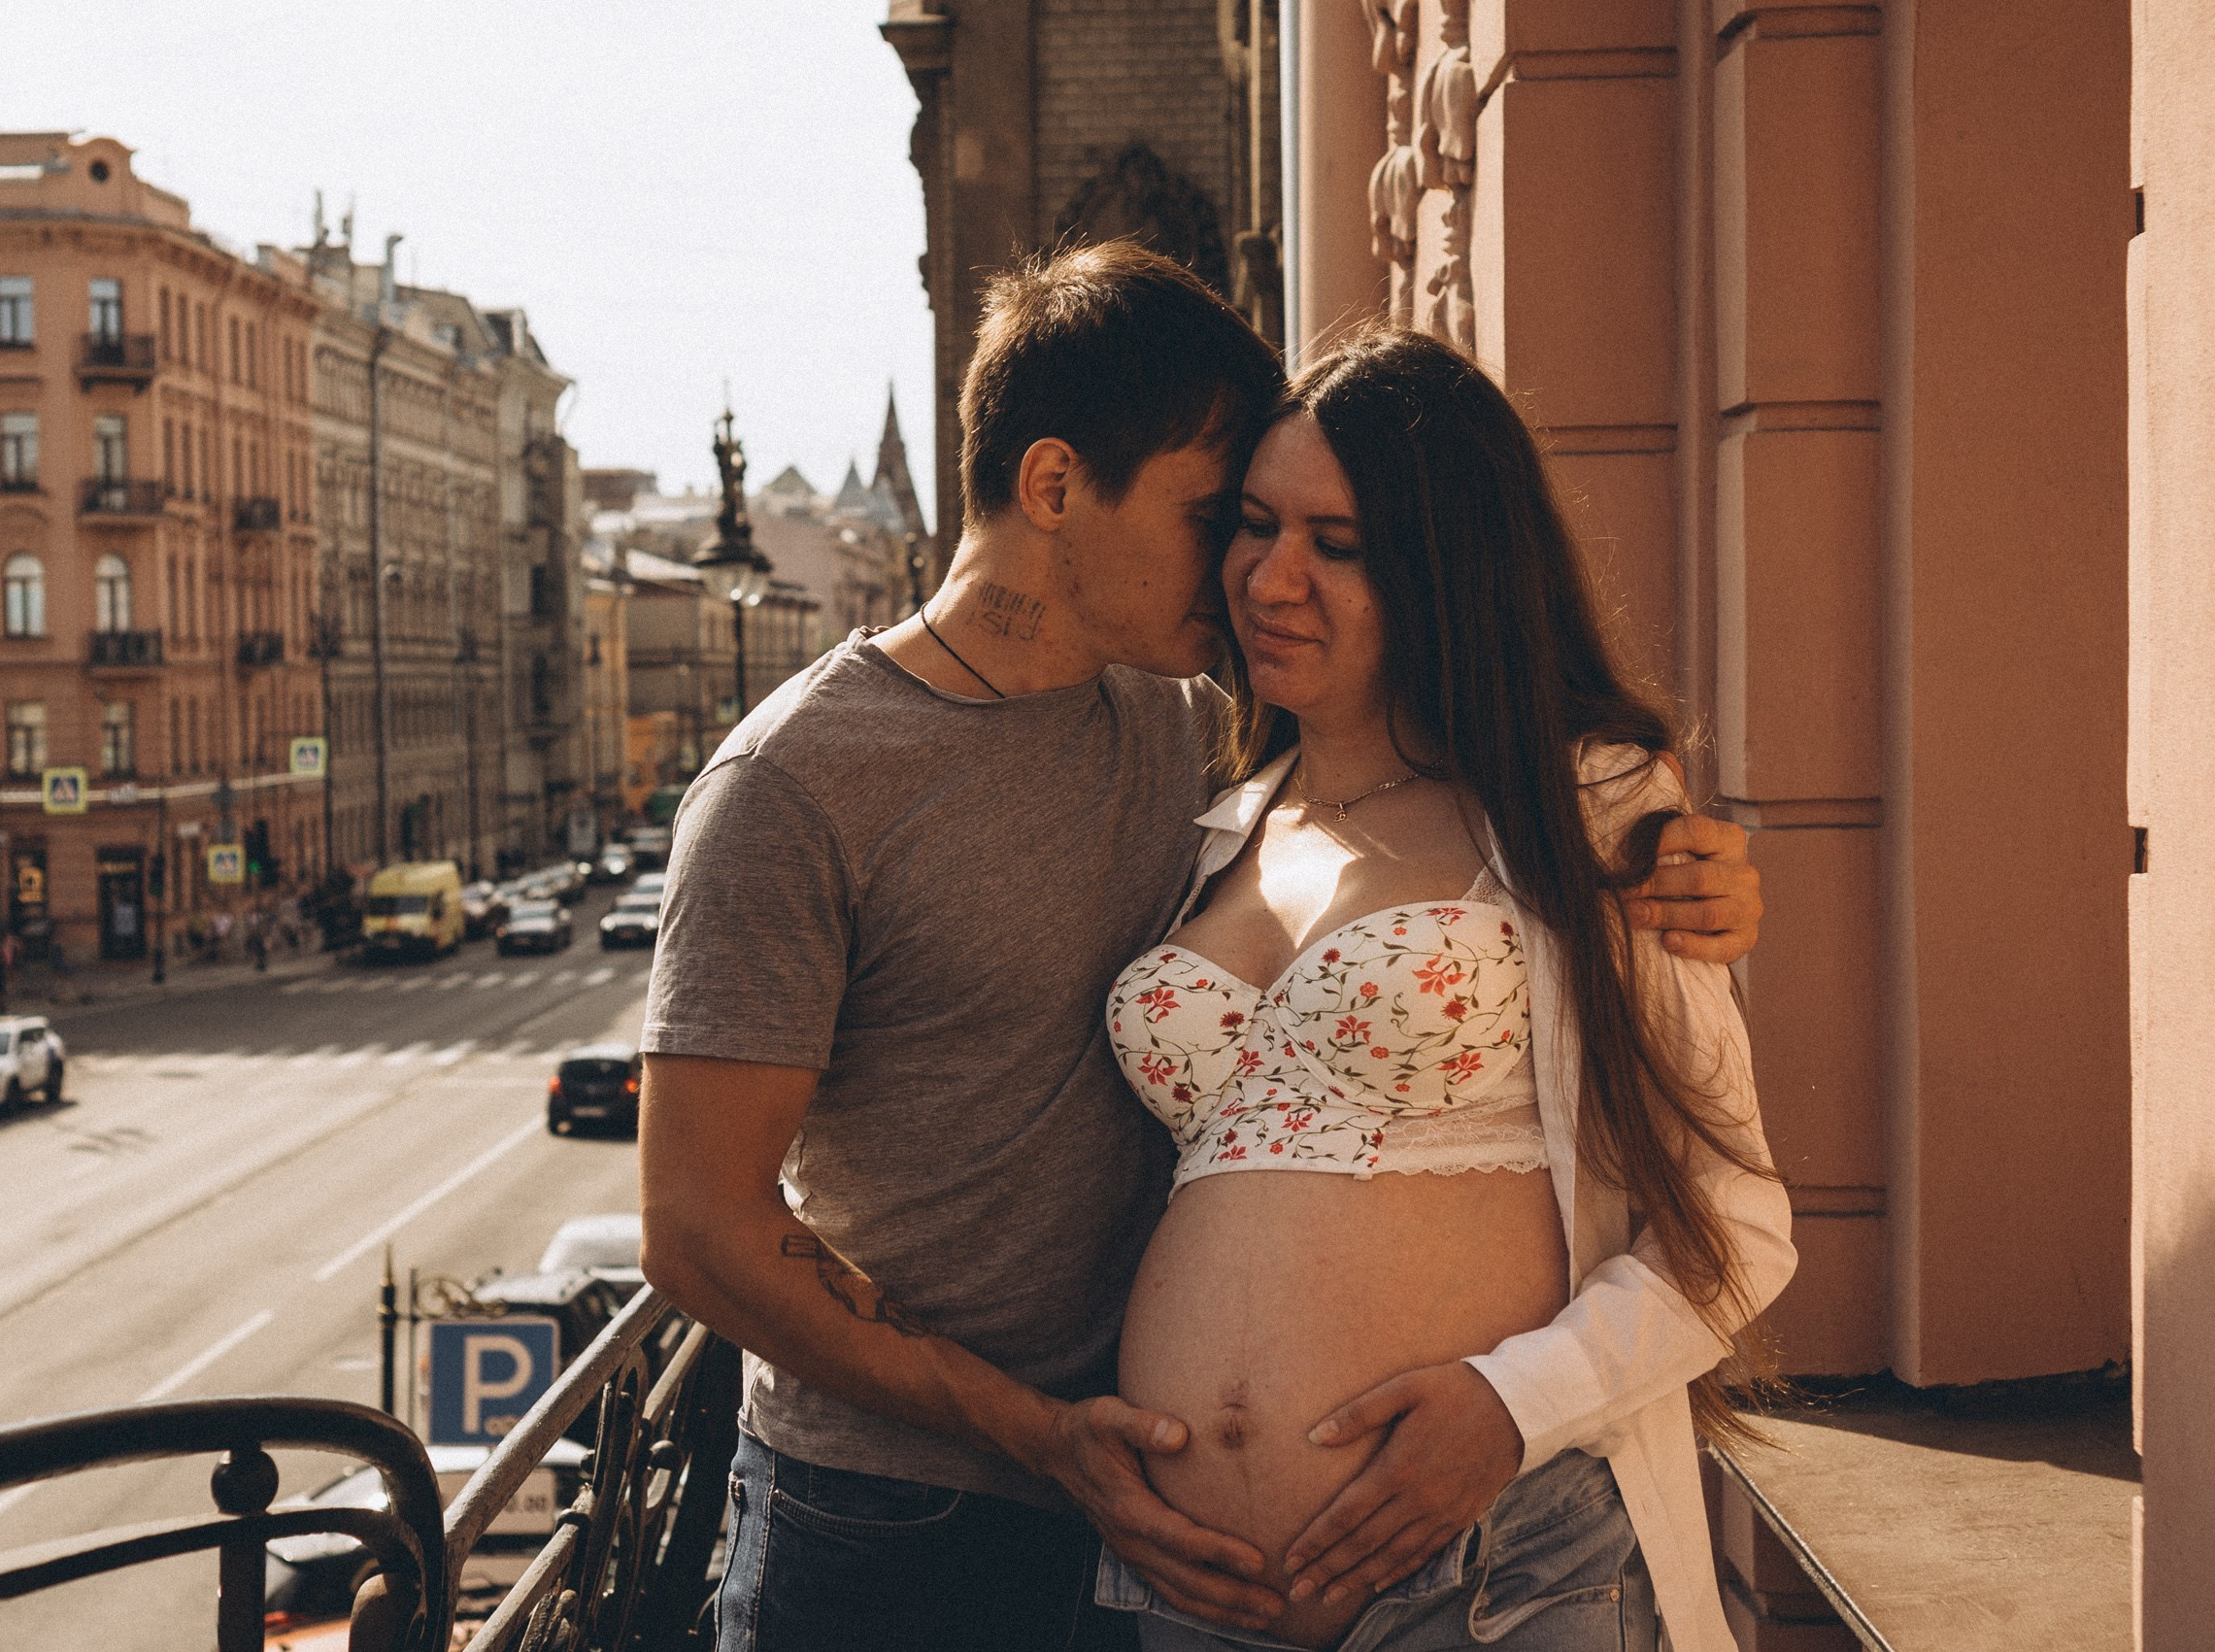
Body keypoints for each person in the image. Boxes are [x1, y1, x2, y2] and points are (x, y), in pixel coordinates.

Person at [637, 244, 1765, 1652]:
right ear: (1054, 489)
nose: (1253, 574)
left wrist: (1694, 879)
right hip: (891, 1516)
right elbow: (696, 1231)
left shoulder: (1195, 740)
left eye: (1311, 537)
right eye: (1220, 518)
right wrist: (1042, 1435)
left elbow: (1471, 817)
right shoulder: (794, 784)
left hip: (1164, 1529)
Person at [1096, 327, 1791, 1651]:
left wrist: (1512, 1407)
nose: (1272, 577)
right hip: (1195, 1593)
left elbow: (1739, 1225)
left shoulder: (1583, 810)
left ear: (1448, 568)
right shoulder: (1208, 826)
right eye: (1253, 525)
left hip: (1502, 1572)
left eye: (1339, 545)